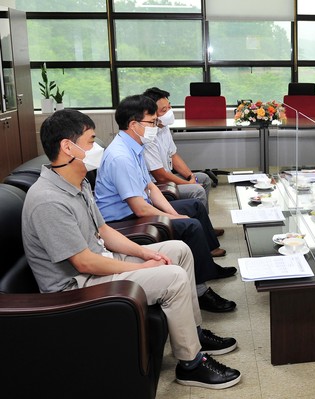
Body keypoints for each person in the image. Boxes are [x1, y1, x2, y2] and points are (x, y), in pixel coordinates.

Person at [22, 109, 242, 389]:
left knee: (178, 250)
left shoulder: (76, 184)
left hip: (100, 261)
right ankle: (191, 364)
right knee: (172, 277)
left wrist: (144, 253)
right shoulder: (48, 200)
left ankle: (193, 333)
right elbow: (85, 263)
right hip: (76, 286)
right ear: (68, 147)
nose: (96, 148)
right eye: (91, 141)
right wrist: (139, 268)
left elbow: (104, 232)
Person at [95, 95, 236, 313]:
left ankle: (207, 265)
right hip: (123, 220)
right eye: (151, 122)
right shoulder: (120, 156)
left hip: (137, 209)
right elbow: (140, 208)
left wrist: (172, 212)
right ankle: (201, 292)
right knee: (190, 225)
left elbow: (150, 188)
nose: (155, 126)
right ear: (134, 124)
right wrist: (174, 218)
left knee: (194, 207)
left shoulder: (134, 146)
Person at [141, 87, 216, 218]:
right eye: (164, 110)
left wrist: (190, 176)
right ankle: (199, 225)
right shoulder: (148, 137)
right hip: (158, 185)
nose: (169, 112)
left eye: (169, 107)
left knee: (204, 179)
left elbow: (173, 155)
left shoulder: (164, 129)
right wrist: (189, 184)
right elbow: (161, 176)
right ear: (152, 113)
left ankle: (205, 223)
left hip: (168, 177)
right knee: (197, 190)